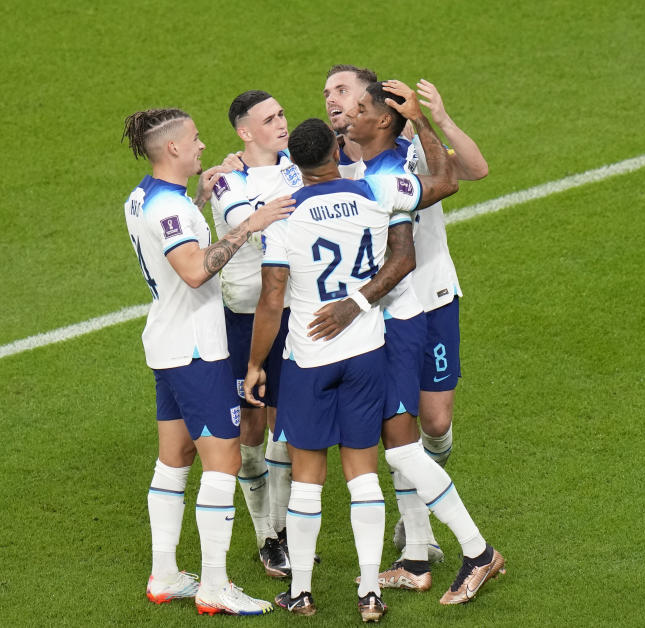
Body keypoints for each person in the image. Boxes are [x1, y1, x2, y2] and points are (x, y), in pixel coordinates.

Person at [242, 87, 458, 620]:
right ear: (337, 153)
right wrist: (423, 124)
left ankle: (302, 590)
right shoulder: (373, 192)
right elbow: (446, 182)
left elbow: (272, 298)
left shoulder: (285, 218)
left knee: (309, 474)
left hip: (309, 358)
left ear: (296, 161)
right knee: (363, 473)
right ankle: (369, 591)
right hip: (366, 350)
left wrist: (253, 364)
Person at [312, 79, 506, 604]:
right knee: (399, 437)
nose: (337, 102)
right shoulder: (329, 161)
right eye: (329, 93)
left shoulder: (396, 162)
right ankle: (418, 554)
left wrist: (432, 118)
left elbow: (462, 176)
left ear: (376, 112)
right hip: (385, 317)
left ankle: (472, 551)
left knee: (422, 431)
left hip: (414, 304)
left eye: (348, 94)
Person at [121, 107, 293, 616]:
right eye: (194, 140)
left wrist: (199, 202)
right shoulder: (167, 211)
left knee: (174, 460)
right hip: (197, 349)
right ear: (171, 148)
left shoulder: (143, 197)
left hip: (166, 343)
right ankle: (215, 585)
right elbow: (196, 271)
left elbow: (177, 229)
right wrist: (251, 225)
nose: (201, 147)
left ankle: (165, 574)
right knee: (225, 462)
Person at [209, 90, 302, 578]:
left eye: (283, 114)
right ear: (245, 132)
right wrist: (267, 212)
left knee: (286, 426)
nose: (282, 123)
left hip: (295, 313)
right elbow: (243, 224)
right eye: (269, 119)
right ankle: (263, 531)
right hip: (245, 317)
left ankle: (278, 532)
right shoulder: (230, 181)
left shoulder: (296, 162)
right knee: (250, 427)